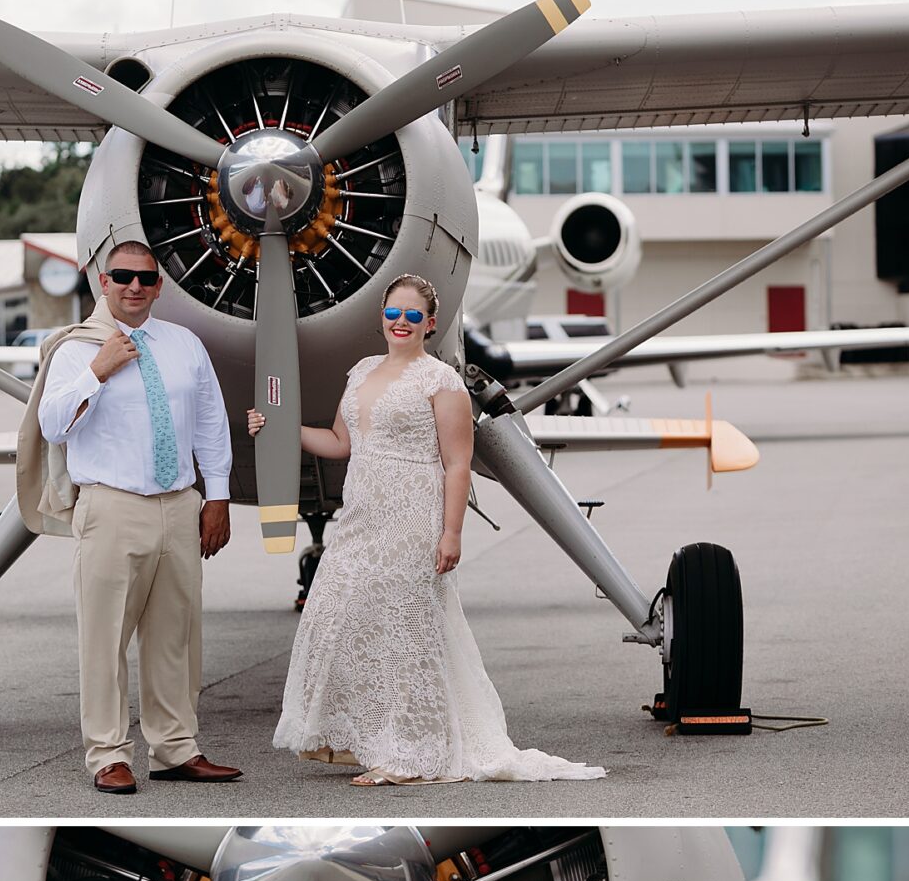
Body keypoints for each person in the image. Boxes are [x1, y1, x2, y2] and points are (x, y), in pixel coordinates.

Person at [250, 273, 605, 786]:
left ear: (430, 323)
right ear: (382, 318)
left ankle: (410, 755)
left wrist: (452, 533)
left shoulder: (441, 381)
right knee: (337, 613)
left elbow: (458, 464)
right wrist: (281, 428)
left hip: (412, 515)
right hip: (361, 516)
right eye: (393, 313)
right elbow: (338, 441)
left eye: (413, 315)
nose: (401, 322)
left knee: (404, 633)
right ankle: (362, 737)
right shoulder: (362, 372)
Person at [37, 238, 242, 794]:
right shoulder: (75, 350)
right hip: (111, 506)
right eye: (123, 276)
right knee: (104, 639)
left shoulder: (183, 344)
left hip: (179, 505)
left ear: (159, 285)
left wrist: (215, 496)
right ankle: (107, 755)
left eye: (146, 278)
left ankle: (176, 749)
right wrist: (98, 372)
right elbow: (52, 424)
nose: (135, 286)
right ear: (101, 281)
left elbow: (209, 423)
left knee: (176, 635)